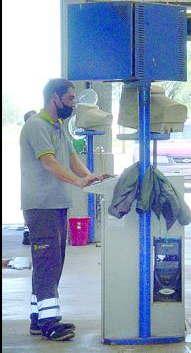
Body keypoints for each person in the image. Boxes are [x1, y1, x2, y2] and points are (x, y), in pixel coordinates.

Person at [19, 78, 109, 341]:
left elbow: (70, 158)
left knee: (52, 263)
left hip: (57, 204)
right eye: (70, 99)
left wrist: (91, 177)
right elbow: (49, 162)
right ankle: (50, 322)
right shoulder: (36, 126)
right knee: (47, 263)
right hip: (41, 205)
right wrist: (78, 181)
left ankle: (38, 318)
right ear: (54, 99)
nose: (72, 104)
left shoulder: (59, 126)